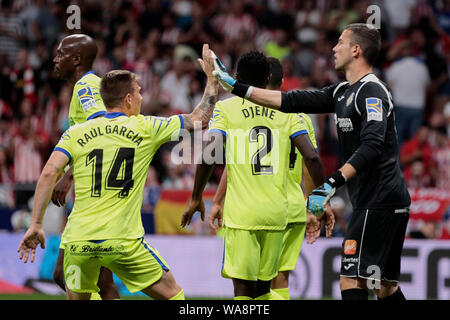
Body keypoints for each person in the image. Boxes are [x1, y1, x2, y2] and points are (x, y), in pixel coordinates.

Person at [211, 23, 411, 300]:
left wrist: (330, 183)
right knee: (383, 286)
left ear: (356, 50)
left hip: (379, 200)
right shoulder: (342, 92)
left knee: (351, 282)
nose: (333, 47)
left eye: (340, 42)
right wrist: (237, 87)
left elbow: (373, 145)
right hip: (379, 200)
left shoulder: (372, 92)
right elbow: (290, 100)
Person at [17, 45, 219, 299]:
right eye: (139, 93)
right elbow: (200, 118)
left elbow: (48, 174)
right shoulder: (145, 127)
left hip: (79, 242)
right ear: (128, 99)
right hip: (122, 242)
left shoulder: (76, 132)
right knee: (174, 294)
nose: (142, 98)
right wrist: (212, 80)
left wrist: (36, 223)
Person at [181, 51, 329, 300]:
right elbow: (312, 158)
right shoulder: (288, 110)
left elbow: (209, 153)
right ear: (269, 77)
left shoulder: (226, 109)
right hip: (276, 214)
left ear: (237, 77)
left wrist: (197, 196)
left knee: (243, 292)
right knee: (264, 290)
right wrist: (321, 198)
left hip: (242, 216)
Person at [51, 34, 118, 300]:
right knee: (71, 275)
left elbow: (103, 130)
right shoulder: (83, 87)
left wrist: (68, 177)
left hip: (96, 202)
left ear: (76, 59)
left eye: (60, 54)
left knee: (94, 279)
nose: (55, 59)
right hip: (89, 198)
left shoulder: (86, 86)